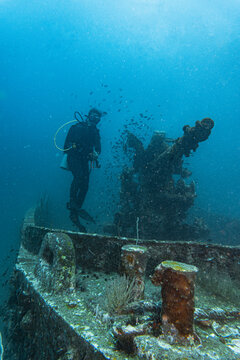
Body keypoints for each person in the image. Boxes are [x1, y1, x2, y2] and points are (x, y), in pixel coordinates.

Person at [64, 108, 102, 231]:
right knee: (79, 177)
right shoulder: (77, 127)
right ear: (88, 116)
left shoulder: (95, 132)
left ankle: (75, 211)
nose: (95, 118)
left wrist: (95, 154)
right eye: (94, 116)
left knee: (85, 185)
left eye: (98, 117)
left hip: (84, 160)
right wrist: (75, 148)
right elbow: (65, 146)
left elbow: (98, 148)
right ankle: (72, 202)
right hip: (73, 158)